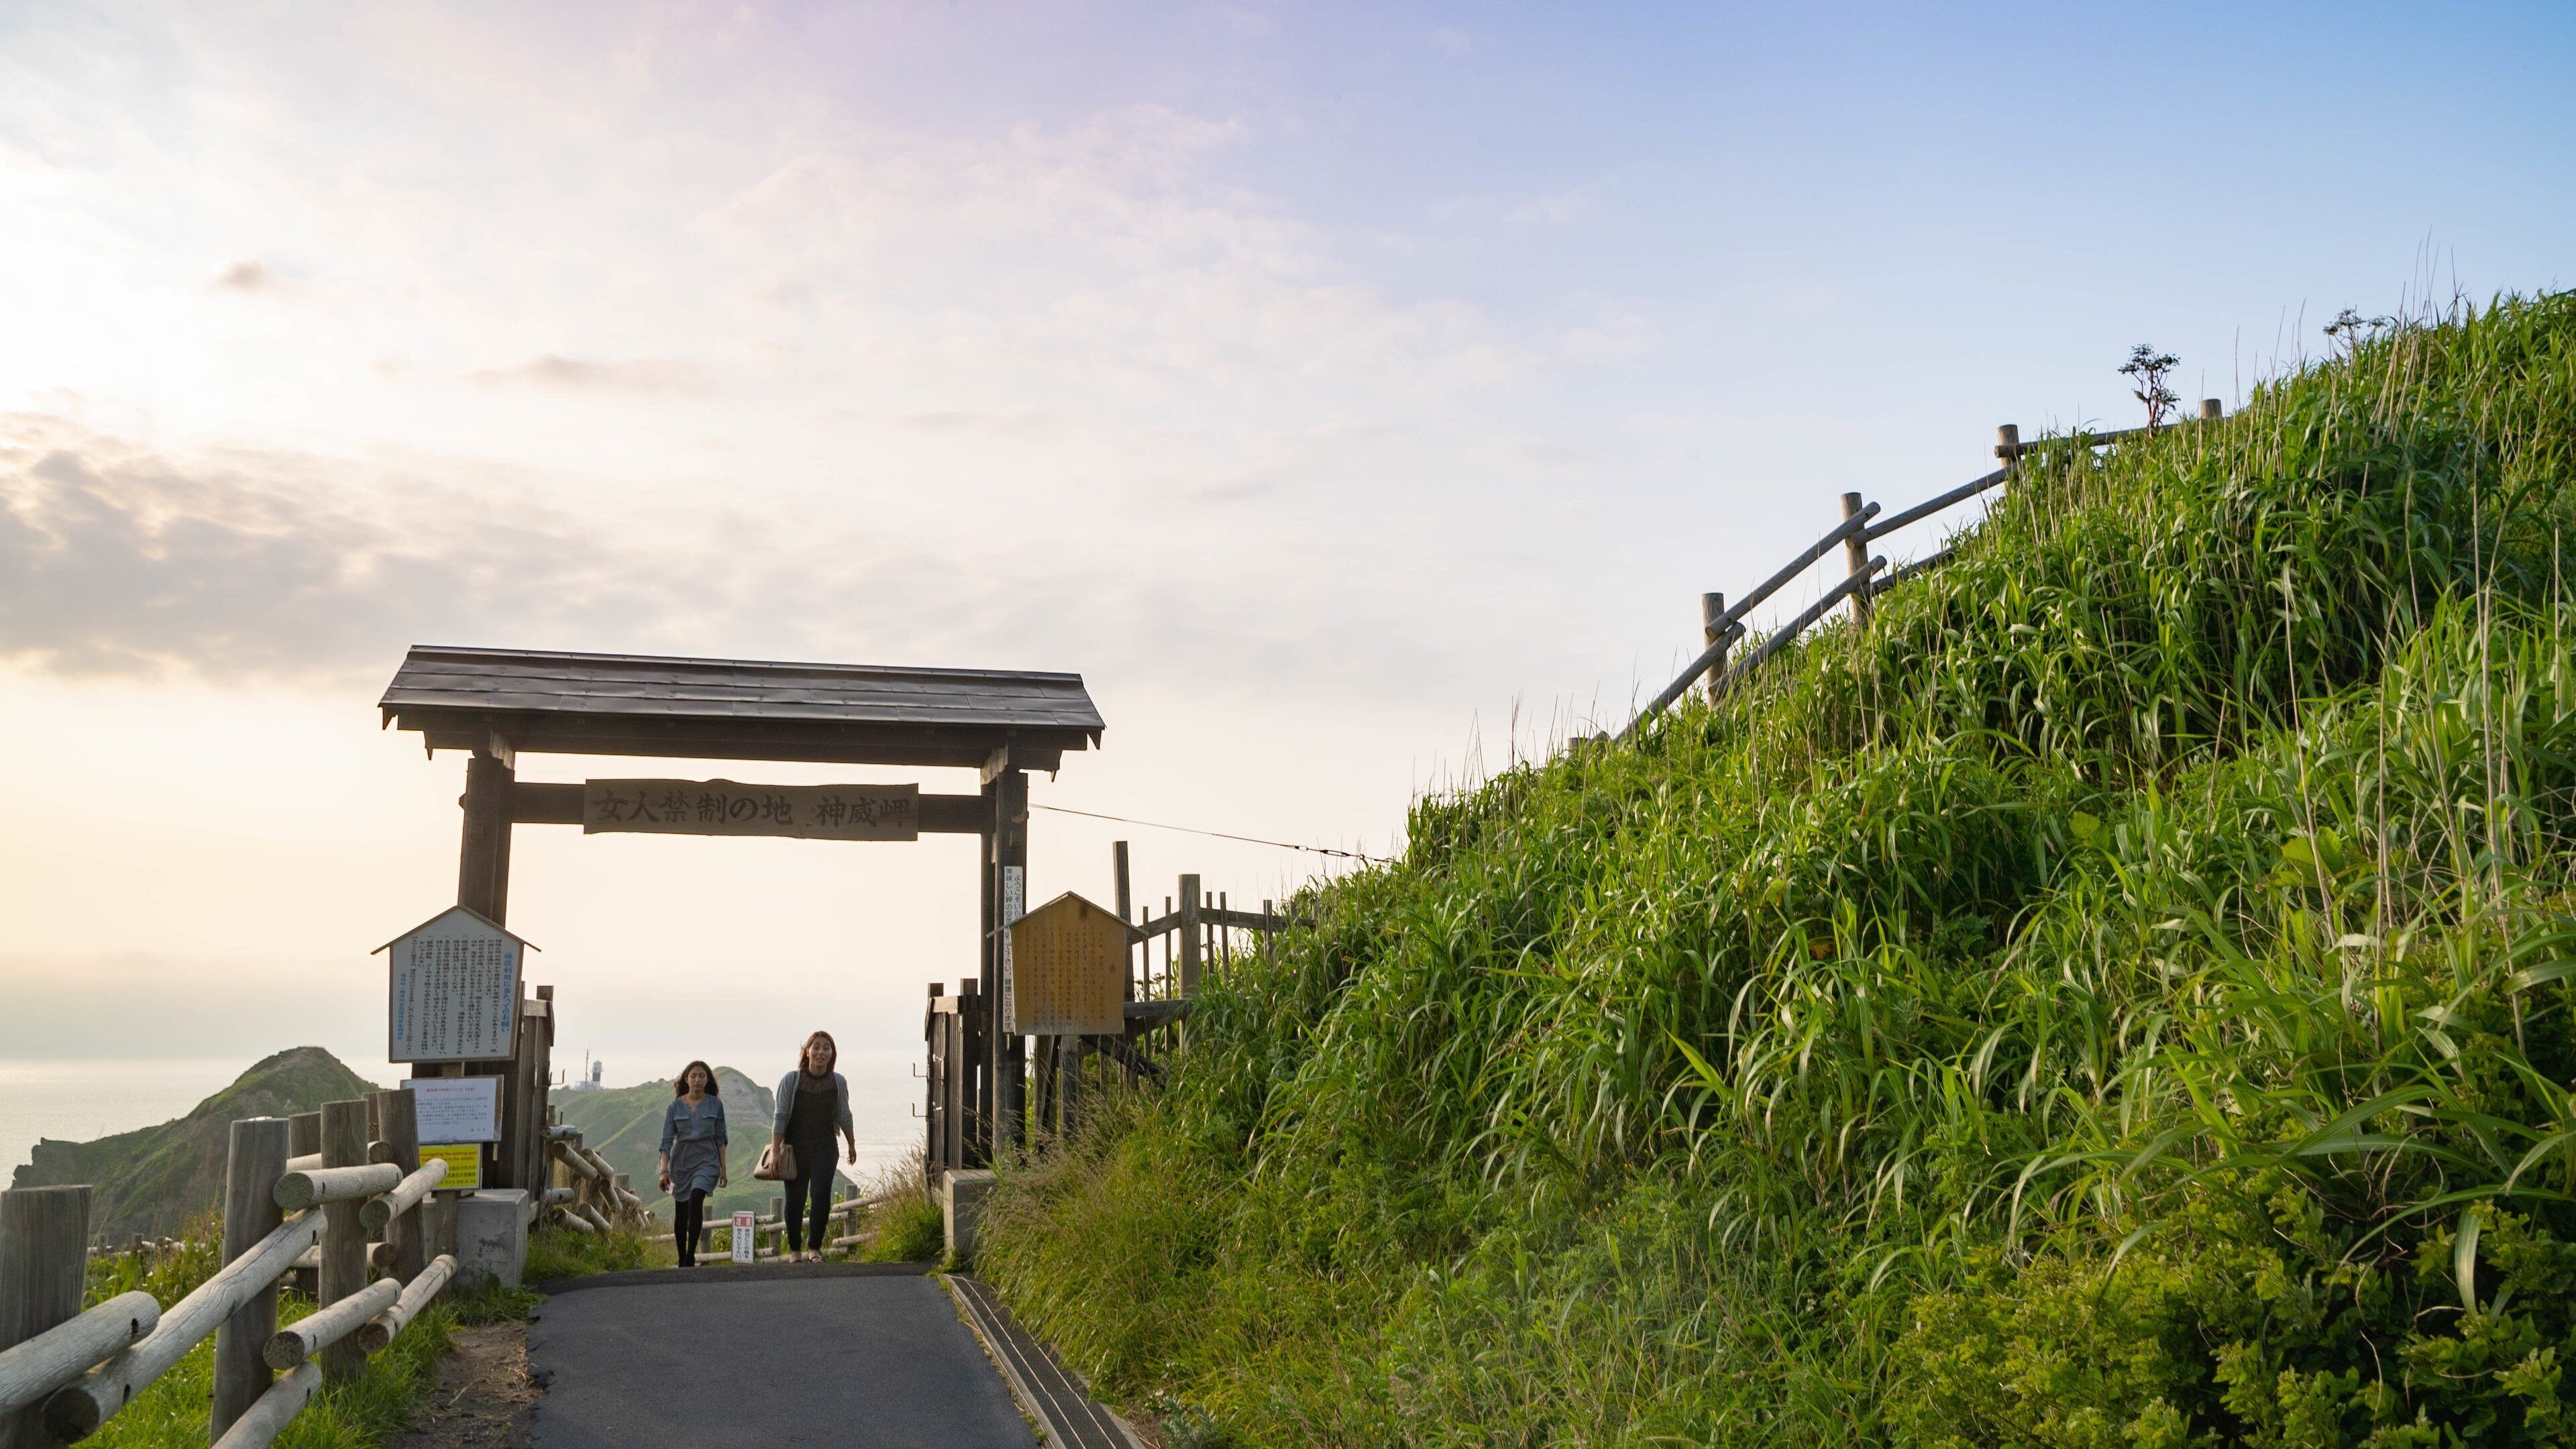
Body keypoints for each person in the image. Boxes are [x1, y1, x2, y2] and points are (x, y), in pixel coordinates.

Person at [771, 1031, 857, 1263]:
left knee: (820, 1195)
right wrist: (776, 1150)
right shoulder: (792, 1080)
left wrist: (851, 1144)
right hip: (795, 1149)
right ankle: (795, 1250)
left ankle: (814, 1248)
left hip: (825, 1147)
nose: (821, 1052)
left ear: (832, 1054)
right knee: (795, 1199)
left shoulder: (838, 1081)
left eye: (826, 1048)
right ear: (807, 1051)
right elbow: (779, 1117)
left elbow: (844, 1115)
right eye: (816, 1047)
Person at [657, 1061, 729, 1267]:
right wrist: (664, 1171)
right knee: (681, 1209)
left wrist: (724, 1169)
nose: (697, 1080)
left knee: (696, 1198)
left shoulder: (715, 1105)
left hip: (707, 1160)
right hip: (681, 1162)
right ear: (686, 1079)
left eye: (702, 1076)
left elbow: (721, 1139)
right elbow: (666, 1142)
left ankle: (691, 1255)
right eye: (693, 1076)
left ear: (708, 1080)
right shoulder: (674, 1107)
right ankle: (682, 1259)